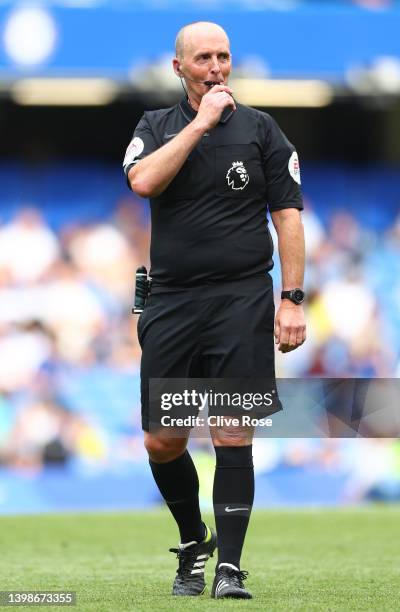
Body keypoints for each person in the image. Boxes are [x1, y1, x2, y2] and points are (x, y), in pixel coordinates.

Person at [123, 21, 306, 600]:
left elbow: (289, 216)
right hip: (173, 300)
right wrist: (201, 124)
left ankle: (229, 567)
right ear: (179, 67)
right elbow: (143, 181)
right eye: (203, 58)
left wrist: (292, 298)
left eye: (223, 57)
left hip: (241, 298)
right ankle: (192, 539)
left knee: (232, 431)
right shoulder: (155, 126)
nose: (216, 68)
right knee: (162, 439)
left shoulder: (262, 129)